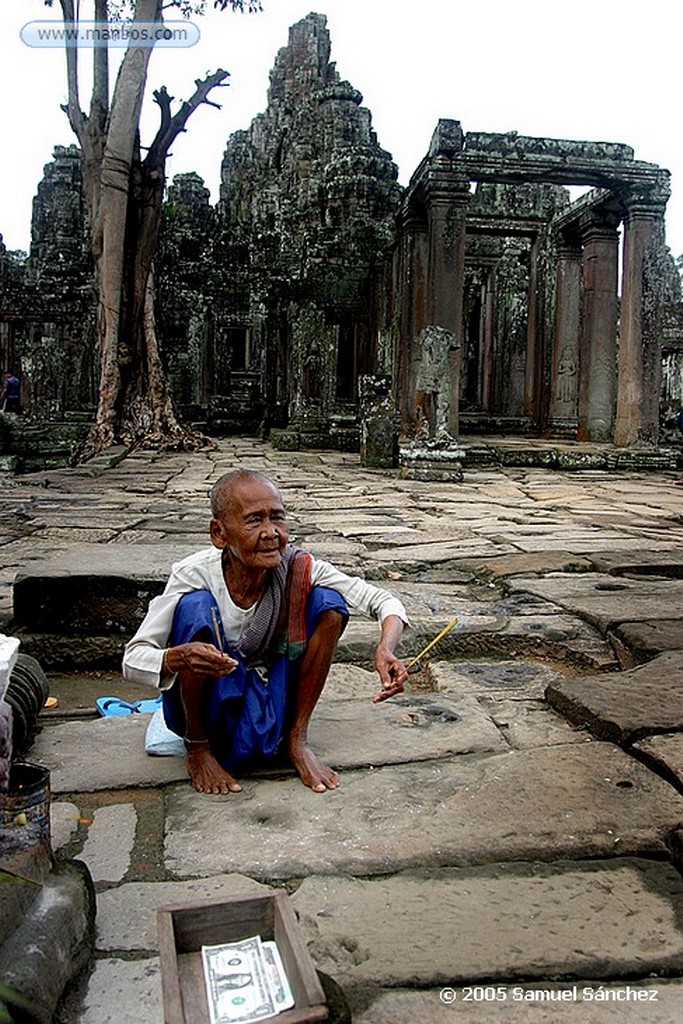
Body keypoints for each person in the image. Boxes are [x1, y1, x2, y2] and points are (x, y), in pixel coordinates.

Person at [122, 469, 409, 795]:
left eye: (277, 518)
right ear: (219, 534)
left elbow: (384, 601)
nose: (271, 533)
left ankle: (297, 740)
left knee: (329, 604)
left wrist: (386, 649)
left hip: (269, 688)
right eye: (254, 520)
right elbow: (134, 658)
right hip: (211, 696)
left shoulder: (297, 565)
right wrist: (178, 657)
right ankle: (199, 747)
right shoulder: (194, 573)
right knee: (194, 608)